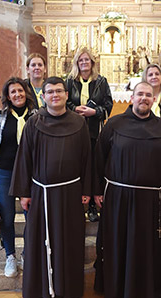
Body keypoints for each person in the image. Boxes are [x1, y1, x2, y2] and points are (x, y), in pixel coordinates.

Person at [9, 76, 91, 298]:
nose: (55, 95)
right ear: (43, 97)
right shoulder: (34, 123)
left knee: (70, 241)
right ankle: (41, 289)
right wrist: (24, 193)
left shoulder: (79, 122)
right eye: (50, 92)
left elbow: (87, 158)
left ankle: (69, 289)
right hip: (41, 193)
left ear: (66, 95)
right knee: (39, 240)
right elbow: (24, 159)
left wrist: (87, 190)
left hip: (71, 193)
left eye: (59, 91)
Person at [93, 82, 161, 298]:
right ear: (132, 97)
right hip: (118, 198)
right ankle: (118, 287)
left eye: (148, 95)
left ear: (154, 99)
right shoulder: (113, 124)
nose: (144, 98)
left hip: (152, 201)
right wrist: (97, 191)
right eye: (140, 94)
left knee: (148, 247)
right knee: (119, 243)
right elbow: (99, 158)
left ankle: (148, 287)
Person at [0, 77, 36, 277]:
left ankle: (28, 254)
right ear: (8, 96)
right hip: (3, 173)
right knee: (7, 217)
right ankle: (10, 256)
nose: (17, 95)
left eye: (20, 91)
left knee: (32, 217)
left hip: (31, 175)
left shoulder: (37, 116)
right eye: (13, 92)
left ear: (26, 92)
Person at [66, 47, 113, 222]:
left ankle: (93, 202)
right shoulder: (70, 81)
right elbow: (66, 101)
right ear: (77, 63)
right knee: (78, 164)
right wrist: (74, 109)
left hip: (94, 129)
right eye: (81, 60)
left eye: (87, 60)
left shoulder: (101, 81)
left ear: (92, 63)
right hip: (74, 129)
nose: (84, 63)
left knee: (94, 165)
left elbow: (109, 104)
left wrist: (95, 112)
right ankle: (78, 200)